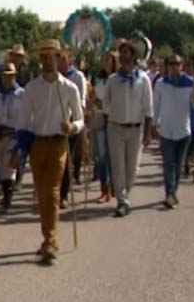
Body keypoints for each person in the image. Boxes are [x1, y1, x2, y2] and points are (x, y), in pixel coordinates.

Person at [12, 39, 84, 263]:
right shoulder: (31, 89)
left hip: (58, 143)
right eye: (42, 57)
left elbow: (81, 119)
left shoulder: (69, 88)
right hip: (37, 144)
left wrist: (72, 127)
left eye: (50, 56)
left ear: (59, 57)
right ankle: (47, 238)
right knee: (42, 193)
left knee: (52, 192)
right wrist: (18, 151)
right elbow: (23, 123)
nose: (46, 60)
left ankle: (51, 240)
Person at [103, 40, 154, 217]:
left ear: (133, 56)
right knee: (118, 167)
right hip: (115, 127)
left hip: (135, 128)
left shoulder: (143, 79)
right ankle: (122, 200)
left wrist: (148, 133)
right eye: (121, 53)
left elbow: (148, 108)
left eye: (126, 53)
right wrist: (98, 103)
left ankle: (125, 192)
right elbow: (105, 105)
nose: (122, 56)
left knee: (132, 168)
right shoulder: (113, 80)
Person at [152, 54, 194, 209]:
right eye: (171, 64)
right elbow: (156, 104)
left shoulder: (190, 83)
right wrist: (154, 124)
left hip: (183, 131)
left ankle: (173, 191)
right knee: (168, 164)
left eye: (177, 64)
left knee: (178, 165)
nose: (173, 66)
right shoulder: (160, 83)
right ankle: (170, 193)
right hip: (166, 129)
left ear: (182, 65)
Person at [0, 63, 24, 209]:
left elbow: (27, 116)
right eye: (4, 75)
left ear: (14, 76)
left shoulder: (22, 94)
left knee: (9, 165)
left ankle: (7, 196)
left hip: (13, 134)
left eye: (10, 75)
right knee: (1, 164)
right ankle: (6, 189)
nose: (6, 78)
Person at [58, 46, 87, 208]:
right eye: (59, 59)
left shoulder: (77, 77)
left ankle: (63, 194)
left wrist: (76, 122)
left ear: (70, 60)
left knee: (68, 159)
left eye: (64, 59)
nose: (61, 62)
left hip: (71, 123)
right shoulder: (51, 77)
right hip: (55, 124)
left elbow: (81, 101)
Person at [89, 51, 116, 204]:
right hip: (101, 121)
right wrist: (92, 100)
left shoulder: (118, 80)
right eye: (103, 59)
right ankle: (104, 190)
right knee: (102, 157)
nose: (105, 62)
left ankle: (114, 185)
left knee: (113, 157)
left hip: (114, 120)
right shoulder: (100, 81)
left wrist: (101, 103)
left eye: (108, 60)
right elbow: (95, 100)